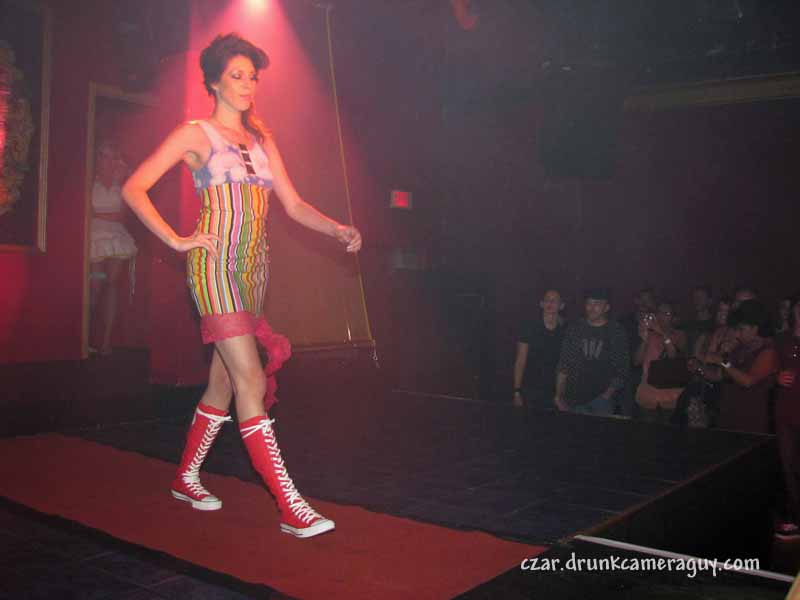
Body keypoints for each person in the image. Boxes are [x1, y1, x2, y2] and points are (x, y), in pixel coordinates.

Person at [122, 33, 362, 539]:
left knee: (226, 381)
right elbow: (134, 187)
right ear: (213, 81)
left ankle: (186, 478)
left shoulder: (261, 139)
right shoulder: (195, 134)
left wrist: (337, 228)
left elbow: (293, 205)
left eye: (252, 76)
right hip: (214, 268)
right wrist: (176, 239)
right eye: (237, 75)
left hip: (255, 270)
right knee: (251, 380)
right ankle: (289, 505)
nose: (248, 84)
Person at [89, 141, 137, 356]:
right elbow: (85, 211)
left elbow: (123, 216)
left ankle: (106, 341)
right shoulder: (91, 181)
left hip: (116, 238)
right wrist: (95, 216)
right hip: (95, 238)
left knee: (112, 284)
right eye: (103, 156)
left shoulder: (122, 183)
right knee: (95, 286)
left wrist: (97, 214)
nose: (106, 160)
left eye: (110, 156)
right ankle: (84, 336)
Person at [705, 300, 778, 434]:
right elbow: (718, 376)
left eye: (741, 329)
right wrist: (699, 368)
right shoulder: (740, 348)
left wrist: (723, 362)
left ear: (755, 328)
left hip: (751, 422)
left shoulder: (768, 351)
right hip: (728, 418)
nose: (737, 334)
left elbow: (748, 381)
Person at [554, 288, 629, 416]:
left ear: (606, 307)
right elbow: (564, 365)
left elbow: (622, 368)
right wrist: (558, 396)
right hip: (573, 399)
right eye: (589, 303)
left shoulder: (616, 331)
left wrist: (606, 395)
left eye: (597, 304)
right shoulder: (575, 328)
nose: (592, 308)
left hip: (602, 402)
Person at [633, 302, 688, 423]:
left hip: (670, 397)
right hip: (648, 396)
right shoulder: (649, 334)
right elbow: (636, 362)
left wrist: (661, 332)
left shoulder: (679, 335)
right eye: (660, 313)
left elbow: (673, 356)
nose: (662, 316)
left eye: (667, 313)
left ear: (673, 317)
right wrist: (644, 340)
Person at [513, 289, 565, 410]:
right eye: (547, 300)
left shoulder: (565, 330)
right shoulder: (529, 326)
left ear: (561, 306)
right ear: (541, 304)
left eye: (554, 301)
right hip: (530, 389)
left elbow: (565, 366)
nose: (550, 303)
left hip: (554, 392)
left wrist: (560, 395)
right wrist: (517, 391)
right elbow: (520, 361)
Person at [774, 296, 800, 538]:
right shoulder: (781, 339)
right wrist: (777, 377)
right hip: (785, 413)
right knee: (787, 466)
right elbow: (769, 371)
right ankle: (795, 517)